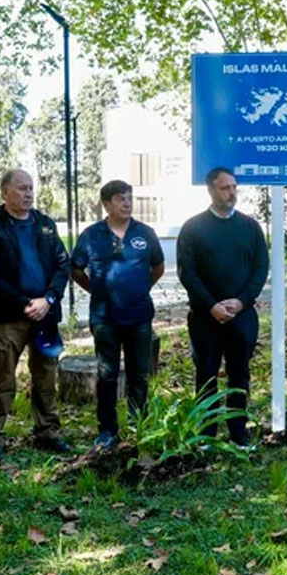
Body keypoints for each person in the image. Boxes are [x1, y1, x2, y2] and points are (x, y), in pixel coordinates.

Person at [0, 169, 72, 458]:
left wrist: (49, 298)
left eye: (31, 188)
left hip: (45, 313)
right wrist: (24, 302)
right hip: (7, 315)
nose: (28, 193)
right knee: (2, 377)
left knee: (45, 375)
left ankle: (47, 432)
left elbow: (62, 265)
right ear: (4, 192)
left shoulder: (44, 224)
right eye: (21, 188)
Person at [176, 167, 269, 447]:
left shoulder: (250, 227)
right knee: (206, 374)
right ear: (211, 190)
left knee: (239, 373)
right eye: (225, 188)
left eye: (234, 187)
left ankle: (239, 432)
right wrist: (212, 306)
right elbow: (187, 273)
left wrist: (241, 302)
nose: (232, 193)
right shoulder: (193, 228)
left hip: (242, 316)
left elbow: (260, 268)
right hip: (206, 318)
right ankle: (207, 434)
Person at [72, 180, 165, 450]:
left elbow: (157, 267)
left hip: (139, 317)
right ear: (106, 204)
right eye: (120, 198)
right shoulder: (92, 235)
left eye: (129, 198)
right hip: (105, 319)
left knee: (139, 374)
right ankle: (107, 430)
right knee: (107, 375)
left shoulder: (145, 233)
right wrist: (97, 290)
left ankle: (139, 428)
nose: (127, 203)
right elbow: (76, 270)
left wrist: (139, 288)